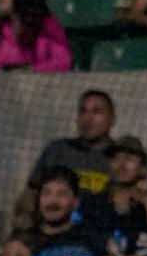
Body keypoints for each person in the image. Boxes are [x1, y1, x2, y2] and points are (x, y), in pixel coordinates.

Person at [22, 88, 118, 218]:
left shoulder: (120, 158)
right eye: (83, 111)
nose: (88, 119)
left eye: (97, 112)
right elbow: (31, 193)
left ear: (112, 119)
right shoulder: (57, 150)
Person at [23, 166, 107, 256]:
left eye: (62, 194)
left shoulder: (91, 240)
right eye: (47, 193)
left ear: (76, 202)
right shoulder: (26, 239)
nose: (53, 201)